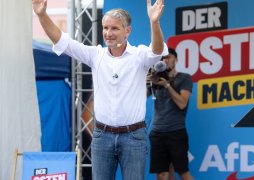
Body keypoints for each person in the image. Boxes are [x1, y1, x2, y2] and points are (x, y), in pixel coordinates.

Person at [32, 0, 167, 179]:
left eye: (114, 28)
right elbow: (62, 41)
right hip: (102, 136)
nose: (108, 33)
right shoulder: (96, 55)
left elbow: (157, 50)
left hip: (134, 136)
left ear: (128, 31)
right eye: (105, 28)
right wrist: (42, 15)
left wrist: (154, 22)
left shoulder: (139, 55)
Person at [148, 48, 194, 180]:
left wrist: (167, 85)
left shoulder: (184, 78)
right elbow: (140, 97)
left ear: (176, 59)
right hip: (157, 132)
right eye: (163, 58)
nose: (165, 60)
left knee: (183, 173)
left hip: (176, 132)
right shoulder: (156, 79)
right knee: (162, 175)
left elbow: (182, 103)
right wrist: (146, 81)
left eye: (168, 57)